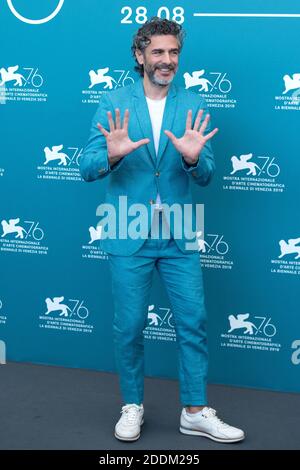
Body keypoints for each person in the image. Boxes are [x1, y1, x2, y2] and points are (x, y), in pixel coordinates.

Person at [80, 17, 245, 444]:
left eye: (173, 52)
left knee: (193, 320)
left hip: (179, 231)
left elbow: (206, 173)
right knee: (131, 325)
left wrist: (193, 160)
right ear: (139, 55)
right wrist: (112, 157)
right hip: (126, 228)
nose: (166, 60)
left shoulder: (192, 104)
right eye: (157, 52)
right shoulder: (114, 101)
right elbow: (86, 167)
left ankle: (194, 410)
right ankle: (131, 405)